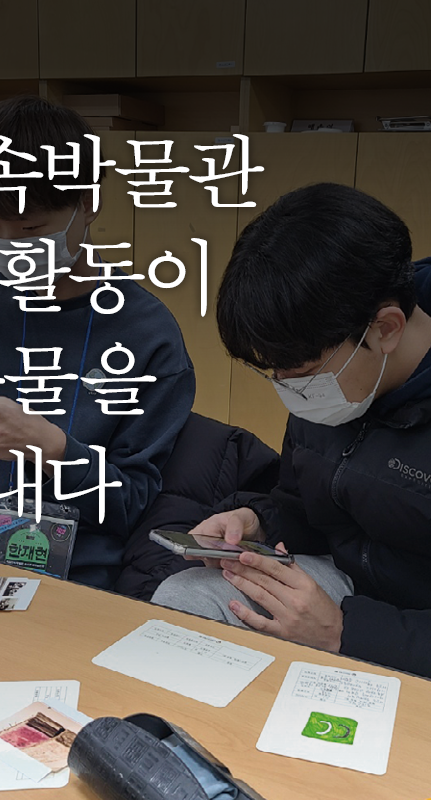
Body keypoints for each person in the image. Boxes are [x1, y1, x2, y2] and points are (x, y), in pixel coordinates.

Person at [0, 96, 196, 589]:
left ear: (88, 203)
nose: (11, 245)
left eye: (31, 228)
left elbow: (135, 502)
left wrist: (53, 451)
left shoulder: (146, 333)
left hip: (82, 584)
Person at [152, 182, 431, 678]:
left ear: (386, 328)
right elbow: (306, 505)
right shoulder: (336, 378)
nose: (288, 387)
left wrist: (345, 632)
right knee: (188, 600)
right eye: (275, 370)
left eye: (300, 371)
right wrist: (258, 523)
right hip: (345, 587)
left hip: (402, 628)